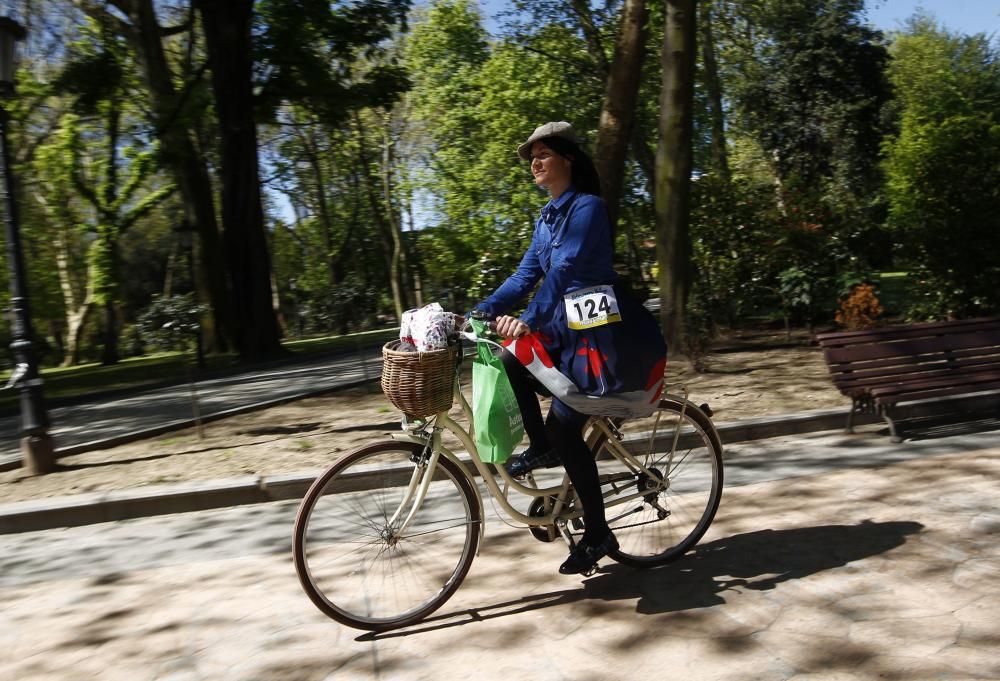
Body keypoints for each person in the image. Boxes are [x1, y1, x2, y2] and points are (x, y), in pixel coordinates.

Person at [473, 121, 667, 575]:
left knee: (566, 428)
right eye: (532, 157)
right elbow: (526, 275)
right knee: (506, 358)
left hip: (598, 340)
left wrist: (527, 320)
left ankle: (598, 532)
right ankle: (541, 446)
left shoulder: (588, 209)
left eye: (543, 154)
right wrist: (478, 311)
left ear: (569, 159)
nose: (535, 163)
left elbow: (563, 270)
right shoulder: (547, 217)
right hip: (564, 330)